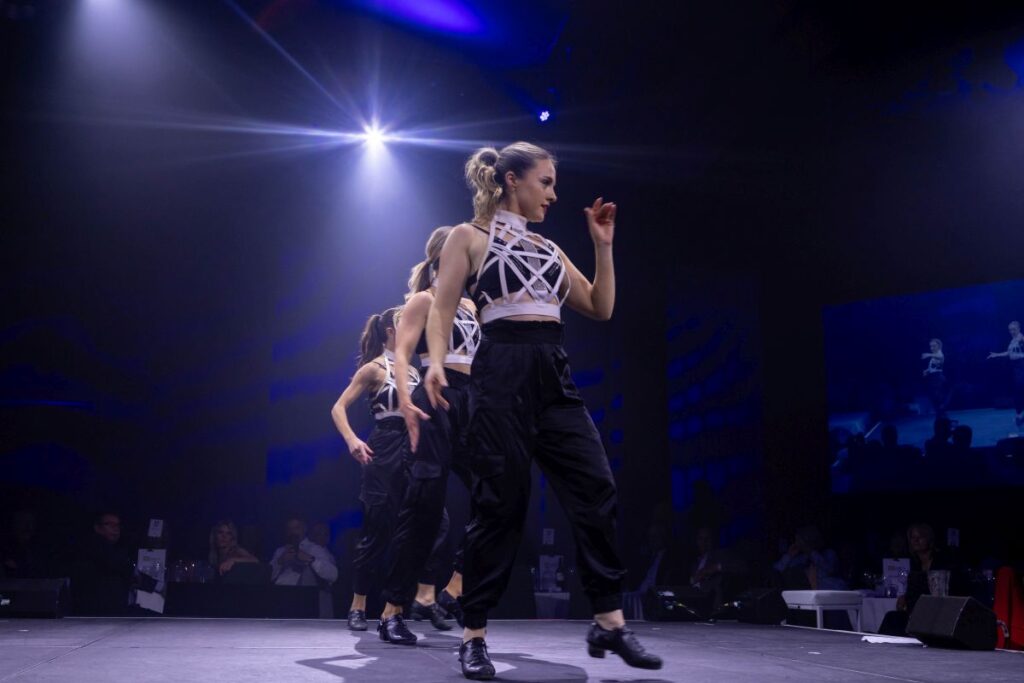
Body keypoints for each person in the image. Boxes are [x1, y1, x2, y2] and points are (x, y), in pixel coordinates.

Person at [424, 142, 661, 678]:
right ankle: (475, 633)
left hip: (553, 375)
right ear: (512, 180)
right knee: (500, 507)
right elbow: (442, 310)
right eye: (546, 182)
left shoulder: (550, 251)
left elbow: (601, 306)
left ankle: (608, 620)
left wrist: (603, 245)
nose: (554, 194)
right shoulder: (469, 237)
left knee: (597, 487)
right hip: (500, 375)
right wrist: (436, 363)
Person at [377, 226, 482, 645]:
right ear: (445, 256)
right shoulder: (425, 299)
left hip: (471, 403)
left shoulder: (473, 306)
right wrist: (405, 399)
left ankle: (454, 588)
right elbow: (402, 353)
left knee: (497, 496)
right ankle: (392, 610)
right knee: (423, 509)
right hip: (433, 400)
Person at [330, 307, 429, 630]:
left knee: (423, 525)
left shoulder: (414, 371)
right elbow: (339, 407)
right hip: (384, 445)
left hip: (414, 448)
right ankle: (358, 605)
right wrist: (351, 440)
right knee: (378, 531)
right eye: (406, 323)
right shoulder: (375, 368)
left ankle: (402, 604)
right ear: (390, 330)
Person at [269, 516, 338, 618]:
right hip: (282, 603)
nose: (293, 532)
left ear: (304, 529)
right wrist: (280, 562)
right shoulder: (280, 551)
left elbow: (333, 575)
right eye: (289, 529)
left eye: (296, 528)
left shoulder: (315, 549)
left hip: (309, 605)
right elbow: (266, 577)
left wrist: (310, 559)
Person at [987, 320, 1024, 428]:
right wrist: (997, 355)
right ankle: (1019, 415)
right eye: (1010, 330)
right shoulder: (1013, 340)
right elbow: (1009, 353)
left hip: (1022, 365)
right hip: (1015, 367)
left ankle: (1020, 416)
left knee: (1020, 390)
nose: (1012, 331)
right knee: (1017, 392)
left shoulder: (1021, 338)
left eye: (1014, 329)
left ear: (1019, 329)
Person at [921, 338, 948, 417]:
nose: (932, 348)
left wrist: (928, 354)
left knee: (938, 398)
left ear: (939, 346)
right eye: (931, 346)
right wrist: (927, 371)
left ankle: (943, 417)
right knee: (935, 399)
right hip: (933, 378)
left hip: (938, 378)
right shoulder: (934, 356)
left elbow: (940, 356)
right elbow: (934, 367)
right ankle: (940, 416)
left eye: (934, 346)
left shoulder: (939, 353)